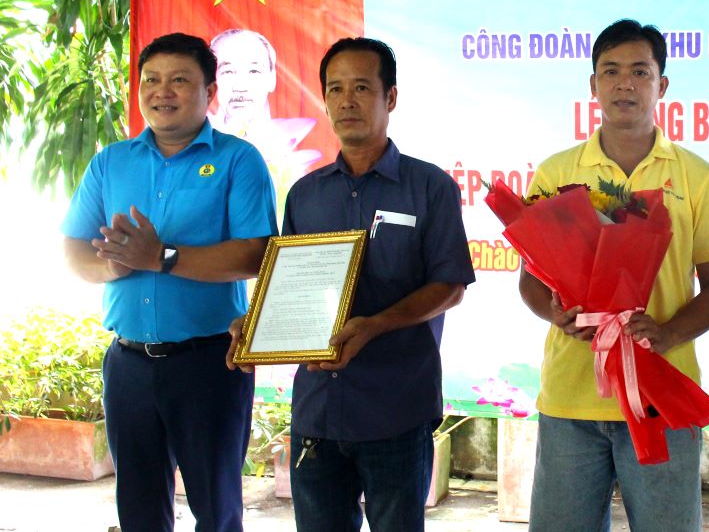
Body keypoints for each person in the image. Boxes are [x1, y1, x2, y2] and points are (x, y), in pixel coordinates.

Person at [228, 36, 475, 532]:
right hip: (318, 412)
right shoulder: (305, 194)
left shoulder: (430, 187)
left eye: (362, 87)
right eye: (335, 88)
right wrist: (256, 325)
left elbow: (450, 284)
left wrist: (376, 325)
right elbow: (291, 284)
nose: (346, 100)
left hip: (395, 408)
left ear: (391, 98)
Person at [519, 19, 709, 531]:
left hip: (662, 396)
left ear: (661, 85)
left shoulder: (696, 176)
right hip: (571, 398)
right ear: (592, 85)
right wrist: (554, 314)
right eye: (611, 71)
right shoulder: (557, 173)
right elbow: (530, 278)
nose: (625, 84)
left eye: (640, 72)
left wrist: (667, 334)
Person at [61, 32, 277, 532]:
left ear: (210, 93)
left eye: (180, 80)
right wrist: (117, 265)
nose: (163, 91)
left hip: (208, 364)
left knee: (216, 509)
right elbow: (74, 251)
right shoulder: (110, 162)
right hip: (128, 364)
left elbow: (257, 253)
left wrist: (161, 256)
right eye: (151, 80)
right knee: (138, 508)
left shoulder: (238, 161)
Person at [210, 28, 321, 183]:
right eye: (228, 72)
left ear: (272, 78)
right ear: (211, 81)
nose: (241, 86)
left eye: (254, 71)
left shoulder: (292, 149)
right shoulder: (190, 141)